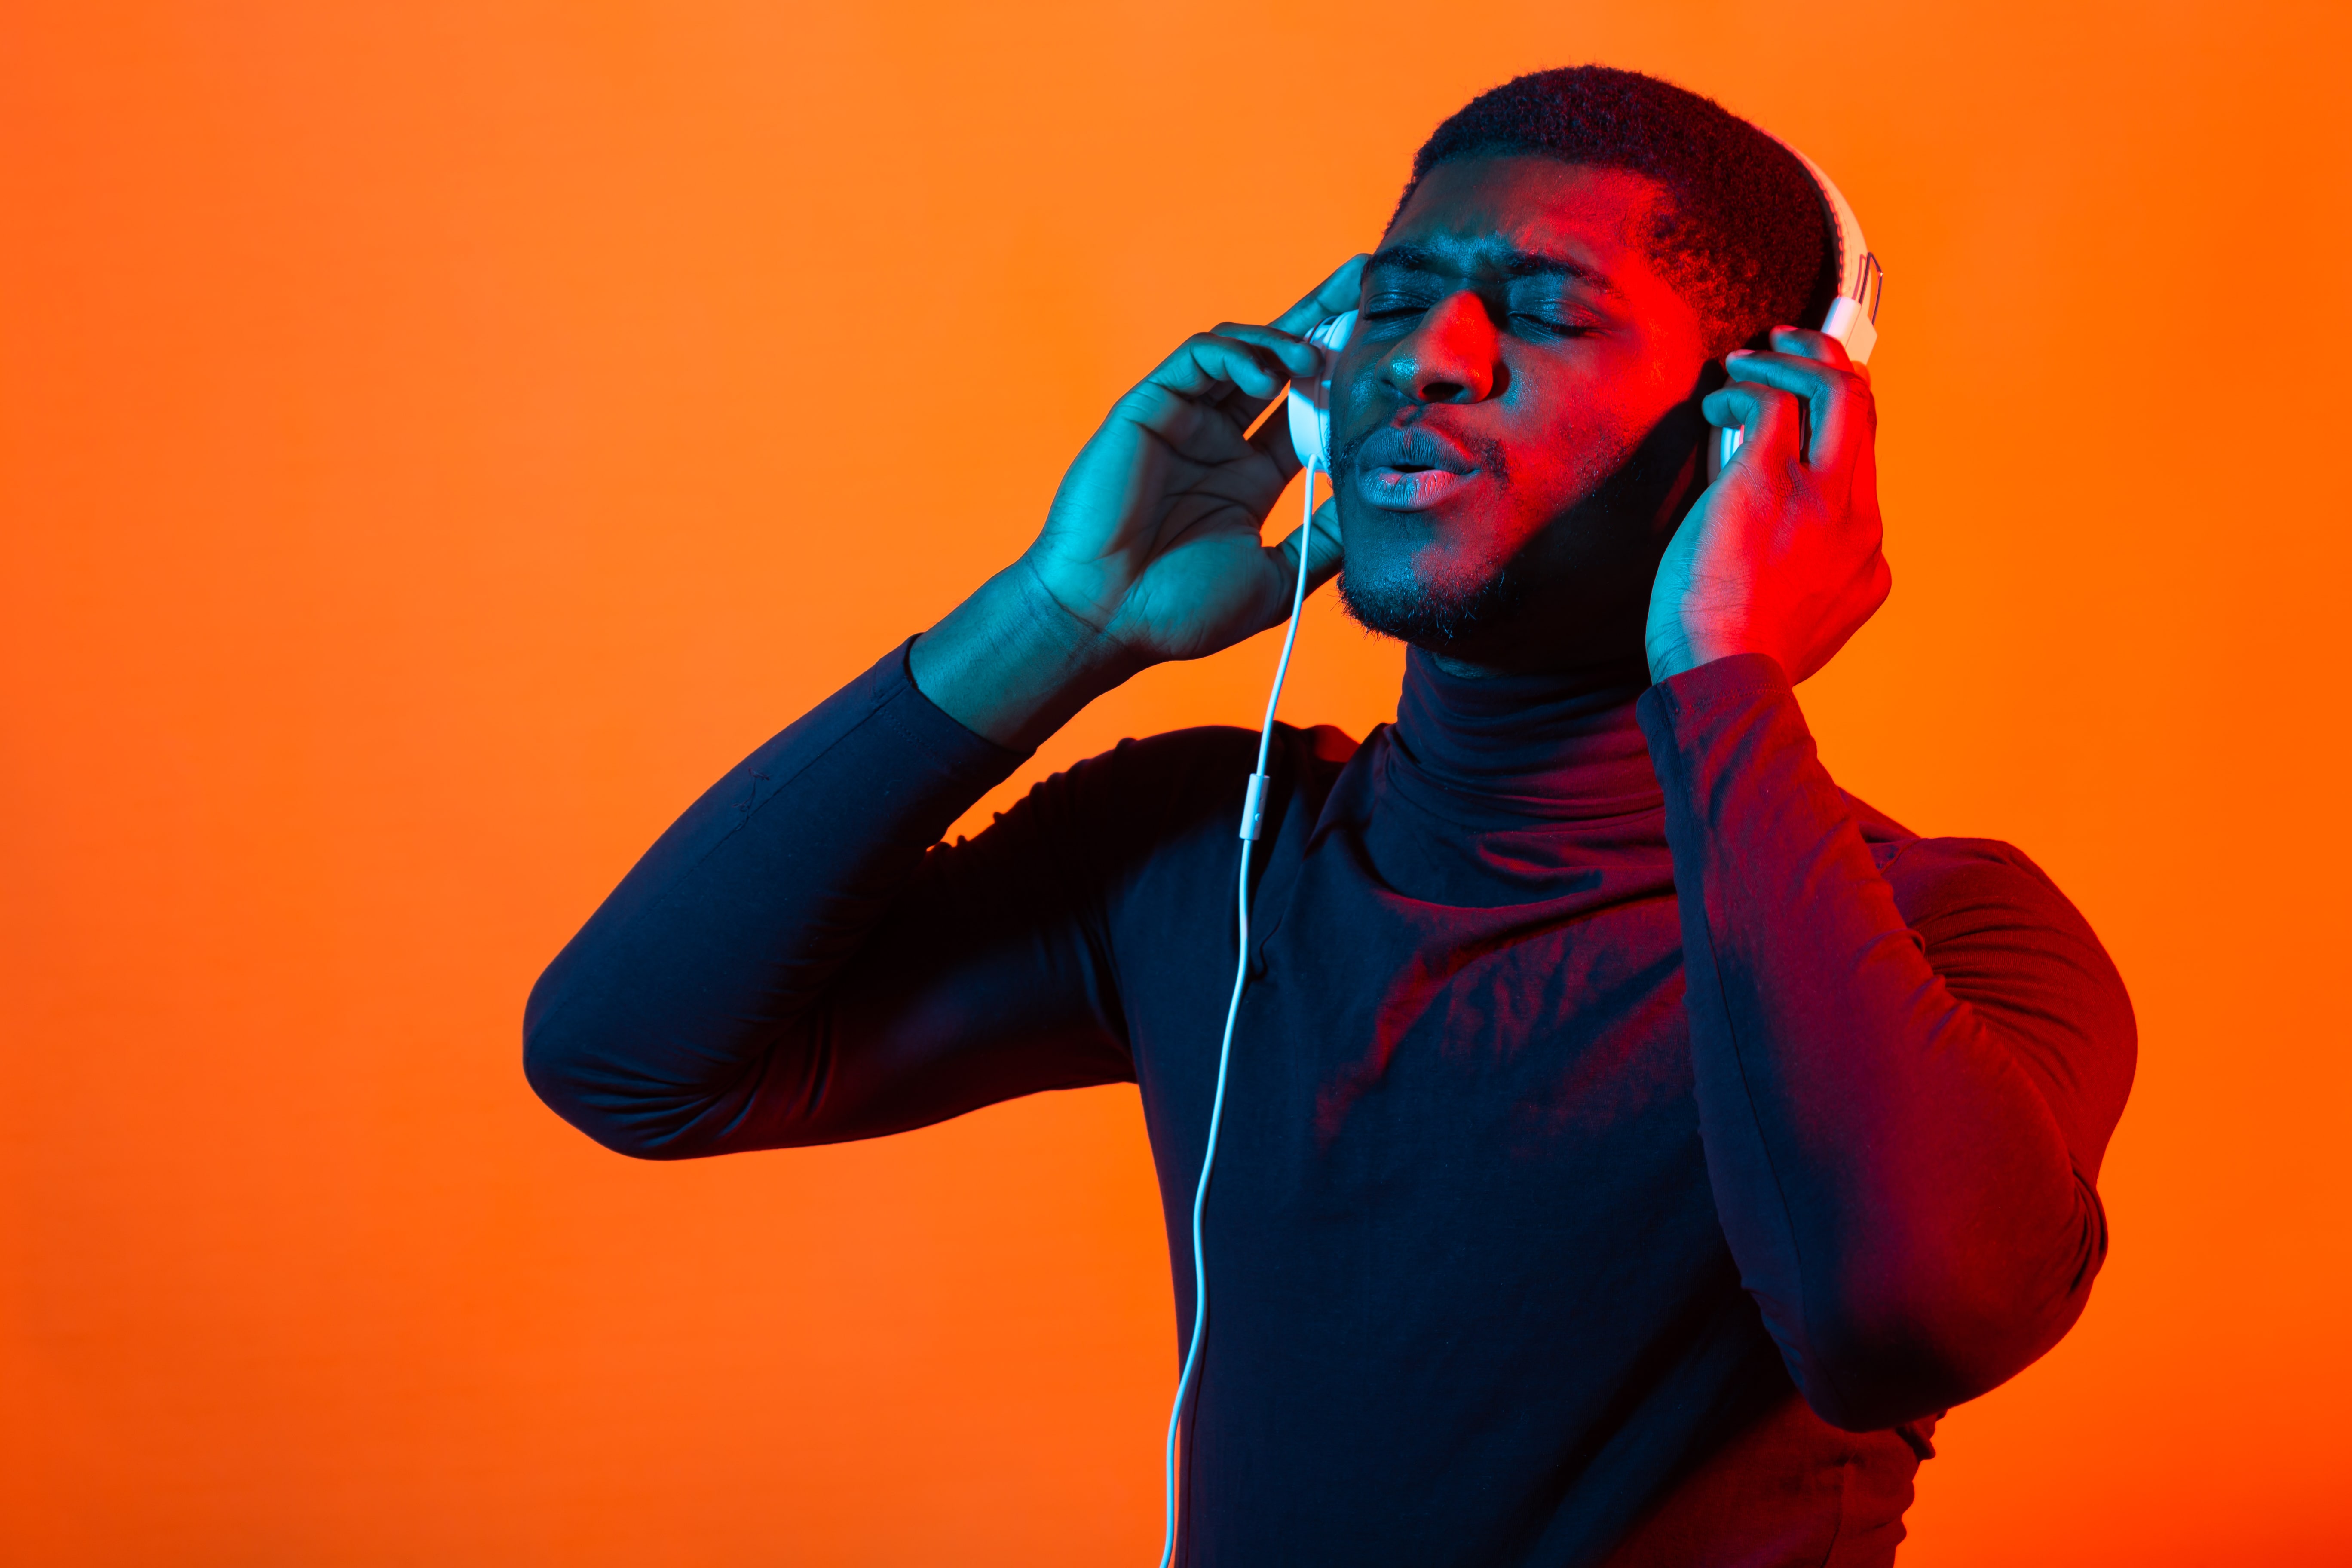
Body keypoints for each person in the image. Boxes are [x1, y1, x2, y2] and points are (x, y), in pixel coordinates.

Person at [523, 65, 2135, 1568]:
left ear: (1753, 433)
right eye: (1391, 300)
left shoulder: (1949, 937)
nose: (1422, 359)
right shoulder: (1205, 849)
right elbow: (632, 1060)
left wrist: (1727, 674)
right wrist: (1060, 618)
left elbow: (1897, 1321)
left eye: (1544, 309)